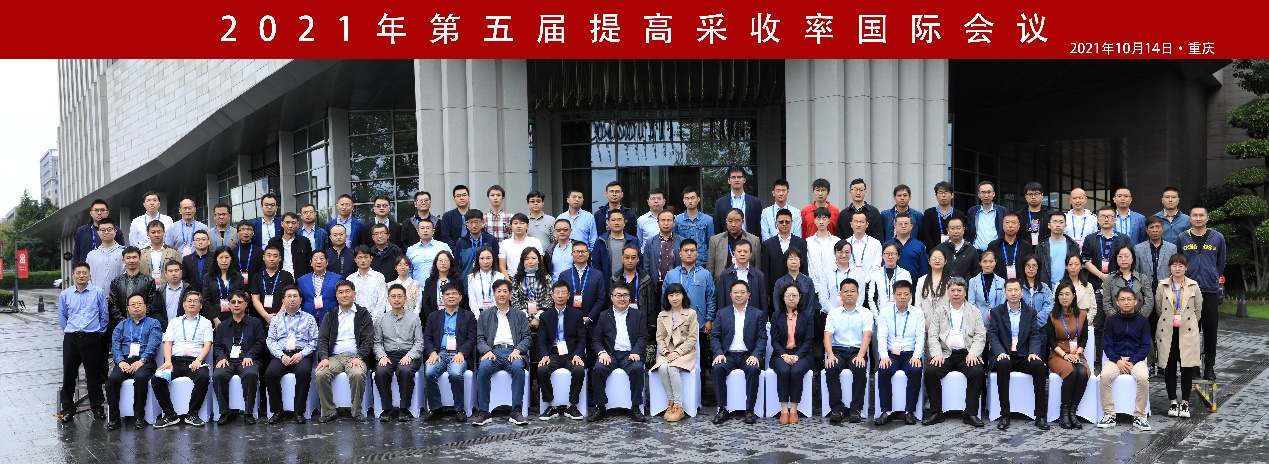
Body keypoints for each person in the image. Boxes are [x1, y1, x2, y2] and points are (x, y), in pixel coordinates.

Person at [922, 277, 987, 428]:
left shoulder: (974, 311)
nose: (956, 293)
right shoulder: (940, 310)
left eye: (959, 290)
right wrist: (936, 354)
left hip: (967, 353)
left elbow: (980, 335)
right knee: (931, 372)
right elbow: (932, 335)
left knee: (977, 372)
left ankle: (970, 414)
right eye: (953, 290)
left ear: (965, 293)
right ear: (948, 292)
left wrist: (973, 353)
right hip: (945, 353)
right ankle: (937, 412)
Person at [987, 279, 1049, 430]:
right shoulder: (996, 312)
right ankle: (1005, 414)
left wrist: (1033, 352)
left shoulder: (1031, 312)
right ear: (1005, 292)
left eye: (1016, 290)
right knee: (1002, 364)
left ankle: (1040, 416)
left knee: (1039, 366)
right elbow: (993, 335)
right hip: (1005, 355)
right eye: (1010, 290)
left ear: (1022, 292)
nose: (1013, 293)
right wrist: (1000, 352)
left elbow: (1035, 335)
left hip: (1024, 355)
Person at [472, 279, 532, 426]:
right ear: (494, 294)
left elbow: (527, 338)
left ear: (510, 294)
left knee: (518, 367)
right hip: (493, 352)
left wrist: (518, 350)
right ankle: (484, 412)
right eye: (498, 291)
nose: (502, 294)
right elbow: (479, 338)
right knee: (484, 367)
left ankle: (516, 411)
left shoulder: (520, 315)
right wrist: (486, 350)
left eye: (505, 291)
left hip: (513, 352)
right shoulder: (485, 315)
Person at [314, 280, 374, 423]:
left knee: (358, 373)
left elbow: (368, 339)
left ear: (354, 294)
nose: (344, 295)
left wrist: (360, 356)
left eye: (347, 291)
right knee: (321, 374)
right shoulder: (330, 315)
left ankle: (356, 412)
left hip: (355, 356)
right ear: (336, 296)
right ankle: (329, 411)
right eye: (341, 292)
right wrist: (324, 357)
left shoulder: (363, 313)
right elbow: (322, 338)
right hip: (334, 357)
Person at [588, 282, 649, 423]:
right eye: (618, 295)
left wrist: (636, 351)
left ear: (630, 297)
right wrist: (602, 353)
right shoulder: (604, 315)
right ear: (611, 297)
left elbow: (643, 336)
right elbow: (596, 339)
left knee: (637, 368)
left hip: (630, 354)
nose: (622, 299)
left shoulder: (638, 315)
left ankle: (635, 407)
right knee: (598, 369)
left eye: (625, 295)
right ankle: (601, 407)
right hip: (611, 354)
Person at [151, 290, 214, 428]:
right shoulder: (174, 322)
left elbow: (207, 344)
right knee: (157, 379)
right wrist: (168, 362)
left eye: (196, 301)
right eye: (189, 301)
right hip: (175, 362)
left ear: (201, 305)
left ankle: (192, 413)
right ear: (183, 304)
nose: (192, 303)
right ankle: (170, 414)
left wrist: (199, 360)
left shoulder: (206, 323)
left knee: (203, 377)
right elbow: (168, 343)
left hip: (195, 361)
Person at [1176, 205, 1225, 380]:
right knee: (1191, 331)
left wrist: (1213, 276)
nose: (1198, 218)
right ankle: (1193, 366)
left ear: (1207, 218)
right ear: (1190, 218)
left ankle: (1209, 367)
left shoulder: (1217, 237)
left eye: (1201, 215)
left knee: (1210, 330)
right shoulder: (1182, 238)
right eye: (1195, 215)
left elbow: (1220, 262)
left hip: (1209, 290)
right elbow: (1179, 261)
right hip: (1189, 291)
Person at [59, 262, 111, 423]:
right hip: (71, 338)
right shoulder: (65, 294)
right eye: (78, 273)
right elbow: (62, 316)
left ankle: (97, 408)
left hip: (91, 338)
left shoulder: (98, 293)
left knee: (94, 375)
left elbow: (104, 315)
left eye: (84, 273)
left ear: (89, 275)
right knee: (69, 374)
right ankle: (68, 409)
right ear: (73, 275)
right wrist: (70, 331)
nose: (81, 275)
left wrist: (97, 332)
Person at [710, 280, 767, 425]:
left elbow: (762, 338)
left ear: (748, 294)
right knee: (717, 368)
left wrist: (755, 355)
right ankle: (722, 409)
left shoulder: (758, 314)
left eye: (742, 292)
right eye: (736, 292)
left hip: (748, 354)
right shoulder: (722, 313)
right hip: (728, 355)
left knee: (753, 369)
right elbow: (715, 336)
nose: (739, 295)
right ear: (730, 295)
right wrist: (718, 353)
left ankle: (750, 410)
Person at [1096, 287, 1153, 431]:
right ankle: (1109, 415)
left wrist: (1133, 361)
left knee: (1143, 377)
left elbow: (1146, 345)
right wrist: (1118, 360)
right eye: (1122, 299)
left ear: (1135, 302)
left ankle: (1140, 416)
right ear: (1117, 302)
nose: (1126, 302)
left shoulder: (1142, 321)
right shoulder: (1111, 321)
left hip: (1136, 359)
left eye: (1129, 299)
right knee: (1105, 376)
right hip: (1116, 359)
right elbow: (1107, 345)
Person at [105, 293, 162, 430]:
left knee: (140, 378)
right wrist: (120, 361)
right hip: (125, 360)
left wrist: (142, 360)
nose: (136, 307)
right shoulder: (121, 325)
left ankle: (139, 416)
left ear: (145, 306)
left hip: (145, 361)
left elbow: (153, 344)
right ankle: (114, 418)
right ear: (128, 308)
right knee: (112, 380)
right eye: (133, 305)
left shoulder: (153, 324)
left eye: (139, 304)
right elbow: (115, 345)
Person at [422, 283, 478, 422]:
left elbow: (472, 338)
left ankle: (459, 409)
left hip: (458, 353)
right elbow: (427, 337)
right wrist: (432, 352)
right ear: (442, 298)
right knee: (429, 373)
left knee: (455, 373)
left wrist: (462, 353)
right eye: (447, 294)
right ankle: (436, 408)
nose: (451, 296)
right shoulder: (434, 316)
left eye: (454, 294)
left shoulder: (468, 316)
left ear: (460, 297)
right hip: (439, 353)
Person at [264, 286, 319, 424]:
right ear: (283, 300)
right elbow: (270, 340)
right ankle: (277, 411)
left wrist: (302, 354)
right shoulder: (276, 320)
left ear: (301, 300)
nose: (292, 299)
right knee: (270, 373)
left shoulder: (309, 318)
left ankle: (299, 411)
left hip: (302, 354)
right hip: (281, 354)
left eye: (295, 296)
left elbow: (314, 341)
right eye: (289, 296)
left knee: (304, 372)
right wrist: (281, 356)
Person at [1157, 254, 1202, 419]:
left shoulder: (1193, 286)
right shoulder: (1162, 285)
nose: (1177, 268)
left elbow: (1198, 310)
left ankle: (1185, 403)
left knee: (1186, 368)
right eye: (1174, 265)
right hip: (1168, 331)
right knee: (1169, 368)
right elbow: (1159, 308)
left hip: (1187, 331)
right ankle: (1173, 401)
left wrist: (1187, 322)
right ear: (1170, 267)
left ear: (1186, 267)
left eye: (1180, 265)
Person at [535, 281, 588, 421]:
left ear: (568, 295)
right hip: (553, 353)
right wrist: (544, 355)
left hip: (571, 354)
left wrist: (578, 354)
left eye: (563, 293)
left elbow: (582, 338)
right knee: (542, 370)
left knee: (579, 369)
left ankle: (571, 406)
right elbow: (541, 340)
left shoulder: (576, 314)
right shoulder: (545, 316)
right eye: (557, 293)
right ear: (552, 295)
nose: (560, 296)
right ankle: (551, 405)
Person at [210, 290, 266, 425]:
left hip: (248, 359)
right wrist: (221, 357)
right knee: (218, 375)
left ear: (246, 304)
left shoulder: (255, 323)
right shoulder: (222, 326)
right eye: (233, 302)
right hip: (228, 360)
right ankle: (224, 412)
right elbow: (217, 345)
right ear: (229, 305)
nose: (236, 305)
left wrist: (250, 355)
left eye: (240, 302)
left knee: (250, 374)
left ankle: (248, 413)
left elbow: (260, 342)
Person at [875, 280, 924, 426]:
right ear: (894, 295)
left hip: (910, 354)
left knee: (915, 370)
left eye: (906, 294)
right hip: (892, 355)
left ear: (911, 295)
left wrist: (916, 356)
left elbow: (920, 337)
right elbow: (881, 336)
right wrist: (884, 356)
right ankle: (886, 411)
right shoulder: (885, 313)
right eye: (899, 294)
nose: (902, 297)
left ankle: (910, 411)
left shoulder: (917, 314)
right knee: (883, 370)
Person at [373, 284, 425, 422]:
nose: (396, 299)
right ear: (388, 299)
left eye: (399, 296)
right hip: (388, 355)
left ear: (405, 299)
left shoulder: (414, 318)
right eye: (393, 296)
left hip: (408, 354)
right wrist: (382, 356)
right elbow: (377, 342)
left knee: (405, 371)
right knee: (381, 372)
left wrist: (409, 356)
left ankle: (404, 409)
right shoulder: (381, 319)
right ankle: (388, 409)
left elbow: (419, 342)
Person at [663, 239, 716, 374]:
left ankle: (700, 387)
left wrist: (709, 319)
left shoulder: (705, 274)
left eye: (692, 250)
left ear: (697, 253)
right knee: (676, 359)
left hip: (699, 324)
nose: (689, 253)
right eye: (685, 250)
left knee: (699, 361)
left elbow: (711, 297)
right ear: (679, 253)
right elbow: (664, 299)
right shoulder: (671, 274)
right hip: (675, 325)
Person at [822, 278, 871, 424]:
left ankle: (856, 409)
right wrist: (830, 355)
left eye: (852, 291)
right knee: (831, 367)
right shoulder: (833, 313)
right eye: (846, 291)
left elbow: (867, 336)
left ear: (858, 294)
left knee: (860, 367)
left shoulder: (866, 313)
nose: (849, 294)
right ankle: (837, 408)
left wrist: (861, 355)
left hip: (857, 351)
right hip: (838, 351)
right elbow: (827, 336)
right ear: (840, 294)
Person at [1045, 282, 1090, 430]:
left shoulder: (1082, 315)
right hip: (1058, 354)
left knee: (1083, 372)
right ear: (1057, 297)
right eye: (1061, 294)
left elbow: (1084, 338)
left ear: (1073, 296)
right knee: (1071, 371)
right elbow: (1051, 341)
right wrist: (1065, 355)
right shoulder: (1052, 316)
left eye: (1067, 294)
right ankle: (1063, 412)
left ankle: (1072, 411)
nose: (1064, 297)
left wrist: (1077, 353)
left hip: (1077, 353)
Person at [769, 282, 814, 425]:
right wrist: (784, 355)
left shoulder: (807, 316)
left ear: (800, 297)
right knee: (783, 371)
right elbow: (775, 341)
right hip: (780, 354)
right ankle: (784, 410)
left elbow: (808, 341)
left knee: (795, 371)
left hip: (802, 354)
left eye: (794, 295)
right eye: (788, 295)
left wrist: (797, 355)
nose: (791, 298)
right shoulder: (776, 316)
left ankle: (794, 409)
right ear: (783, 297)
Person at [653, 283, 699, 422]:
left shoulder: (691, 313)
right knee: (662, 368)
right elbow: (659, 338)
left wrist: (678, 353)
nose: (674, 298)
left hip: (686, 352)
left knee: (672, 368)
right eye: (671, 295)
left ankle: (679, 406)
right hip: (667, 352)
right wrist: (666, 353)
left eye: (678, 294)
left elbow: (692, 338)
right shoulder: (662, 315)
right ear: (667, 297)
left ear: (683, 295)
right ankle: (671, 402)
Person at [1097, 245, 1154, 349]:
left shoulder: (1142, 278)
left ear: (1132, 258)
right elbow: (1106, 302)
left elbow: (1149, 299)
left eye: (1126, 256)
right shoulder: (1110, 279)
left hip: (1138, 322)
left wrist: (1141, 317)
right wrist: (1115, 318)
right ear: (1116, 259)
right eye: (1120, 256)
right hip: (1116, 323)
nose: (1123, 259)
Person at [107, 246, 157, 348]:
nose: (131, 260)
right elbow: (113, 305)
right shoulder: (116, 281)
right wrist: (124, 322)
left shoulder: (148, 281)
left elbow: (151, 303)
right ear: (123, 260)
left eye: (134, 257)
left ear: (140, 259)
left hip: (143, 325)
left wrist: (139, 320)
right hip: (122, 326)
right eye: (128, 258)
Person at [1081, 205, 1132, 300]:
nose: (1106, 219)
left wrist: (1111, 277)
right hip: (1095, 287)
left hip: (1119, 287)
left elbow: (1128, 261)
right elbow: (1086, 261)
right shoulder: (1089, 239)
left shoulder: (1124, 239)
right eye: (1103, 216)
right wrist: (1102, 276)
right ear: (1097, 219)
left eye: (1109, 216)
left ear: (1115, 219)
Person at [760, 209, 808, 303]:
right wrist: (767, 292)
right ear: (776, 223)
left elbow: (804, 266)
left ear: (792, 222)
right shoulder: (767, 244)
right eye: (781, 222)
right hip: (774, 289)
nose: (784, 224)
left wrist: (804, 288)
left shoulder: (801, 243)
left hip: (796, 289)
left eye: (787, 222)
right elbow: (765, 269)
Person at [557, 241, 608, 323]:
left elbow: (601, 299)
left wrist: (590, 317)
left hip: (592, 321)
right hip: (568, 320)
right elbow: (560, 297)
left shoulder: (598, 275)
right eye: (577, 251)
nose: (580, 254)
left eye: (583, 251)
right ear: (572, 255)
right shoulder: (564, 275)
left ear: (588, 254)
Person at [613, 244, 656, 343]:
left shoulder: (645, 279)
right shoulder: (615, 279)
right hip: (619, 324)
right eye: (627, 257)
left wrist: (650, 328)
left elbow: (651, 305)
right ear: (622, 259)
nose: (630, 260)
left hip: (640, 324)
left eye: (633, 258)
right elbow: (610, 304)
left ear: (638, 259)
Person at [715, 239, 768, 313]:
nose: (742, 254)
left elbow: (763, 303)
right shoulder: (725, 275)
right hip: (731, 316)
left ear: (751, 254)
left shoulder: (759, 276)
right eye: (739, 251)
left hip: (753, 317)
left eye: (745, 251)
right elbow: (721, 301)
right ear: (734, 253)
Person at [707, 208, 762, 279]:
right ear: (726, 221)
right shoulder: (715, 240)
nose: (733, 224)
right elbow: (710, 267)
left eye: (737, 221)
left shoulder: (754, 241)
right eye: (730, 221)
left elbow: (757, 267)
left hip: (746, 282)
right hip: (722, 282)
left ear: (742, 222)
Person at [815, 240, 865, 312]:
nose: (844, 255)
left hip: (853, 314)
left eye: (847, 252)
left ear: (851, 253)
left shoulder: (858, 273)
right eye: (840, 252)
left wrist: (851, 311)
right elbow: (823, 297)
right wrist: (835, 313)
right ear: (834, 253)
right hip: (830, 314)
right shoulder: (826, 272)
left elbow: (860, 297)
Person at [201, 246, 245, 326]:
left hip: (235, 317)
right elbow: (206, 300)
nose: (224, 260)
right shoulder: (209, 277)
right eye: (221, 257)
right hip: (214, 318)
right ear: (216, 259)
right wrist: (215, 319)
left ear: (231, 259)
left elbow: (241, 298)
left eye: (227, 257)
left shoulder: (238, 277)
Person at [249, 245, 295, 321]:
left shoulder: (287, 276)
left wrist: (278, 317)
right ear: (264, 257)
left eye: (275, 256)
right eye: (269, 255)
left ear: (280, 258)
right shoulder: (257, 277)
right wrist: (266, 316)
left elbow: (289, 298)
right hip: (261, 319)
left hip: (283, 319)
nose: (272, 259)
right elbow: (255, 299)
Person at [863, 242, 912, 314]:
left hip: (900, 314)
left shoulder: (905, 274)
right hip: (880, 315)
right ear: (882, 256)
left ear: (898, 256)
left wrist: (903, 315)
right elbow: (872, 299)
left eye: (893, 254)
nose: (890, 257)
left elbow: (909, 297)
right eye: (887, 253)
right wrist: (878, 317)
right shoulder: (875, 274)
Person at [592, 209, 640, 281]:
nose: (616, 223)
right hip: (607, 282)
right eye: (613, 220)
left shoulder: (633, 241)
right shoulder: (600, 241)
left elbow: (639, 262)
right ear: (608, 223)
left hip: (628, 282)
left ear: (624, 222)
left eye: (619, 220)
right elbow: (596, 264)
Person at [641, 210, 684, 291]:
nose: (666, 223)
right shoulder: (650, 243)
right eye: (663, 220)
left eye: (669, 220)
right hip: (656, 286)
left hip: (676, 285)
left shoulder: (682, 242)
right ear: (658, 223)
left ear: (674, 223)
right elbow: (646, 266)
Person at [918, 182, 967, 252]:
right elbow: (926, 235)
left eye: (946, 192)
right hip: (934, 253)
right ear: (936, 195)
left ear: (952, 195)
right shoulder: (929, 213)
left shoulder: (959, 214)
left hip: (955, 252)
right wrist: (934, 252)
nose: (943, 195)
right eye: (940, 192)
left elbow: (963, 234)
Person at [713, 166, 762, 235]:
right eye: (733, 177)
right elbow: (718, 228)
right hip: (727, 241)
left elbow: (758, 227)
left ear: (744, 180)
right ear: (729, 180)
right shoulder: (720, 203)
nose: (736, 180)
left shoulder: (755, 202)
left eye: (739, 177)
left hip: (749, 240)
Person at [1036, 213, 1080, 287]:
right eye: (1055, 222)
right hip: (1046, 287)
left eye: (1061, 222)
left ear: (1065, 226)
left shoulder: (1073, 245)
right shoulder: (1041, 246)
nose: (1058, 225)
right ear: (1049, 225)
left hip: (1068, 287)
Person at [674, 186, 714, 266]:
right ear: (683, 200)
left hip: (702, 262)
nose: (690, 201)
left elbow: (711, 243)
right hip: (682, 262)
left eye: (692, 198)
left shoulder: (708, 220)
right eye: (687, 198)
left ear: (698, 199)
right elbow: (675, 242)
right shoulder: (677, 220)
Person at [406, 218, 453, 284]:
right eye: (422, 228)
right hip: (418, 287)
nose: (425, 230)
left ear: (433, 231)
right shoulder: (411, 250)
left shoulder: (443, 247)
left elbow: (452, 266)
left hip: (440, 287)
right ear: (418, 231)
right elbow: (408, 271)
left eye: (428, 228)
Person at [422, 251, 466, 321]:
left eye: (446, 261)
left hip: (454, 318)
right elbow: (426, 303)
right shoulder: (430, 281)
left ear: (450, 263)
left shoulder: (457, 280)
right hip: (434, 318)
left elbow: (461, 300)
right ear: (436, 263)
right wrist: (431, 319)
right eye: (440, 261)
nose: (443, 263)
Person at [298, 252, 340, 322]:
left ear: (327, 262)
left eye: (321, 259)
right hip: (308, 318)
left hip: (330, 318)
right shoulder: (302, 280)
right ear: (311, 263)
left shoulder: (337, 278)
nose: (318, 261)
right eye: (315, 259)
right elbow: (301, 301)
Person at [347, 245, 388, 319]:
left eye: (366, 257)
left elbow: (382, 301)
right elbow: (349, 301)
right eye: (360, 257)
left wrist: (372, 319)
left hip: (376, 319)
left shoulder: (379, 277)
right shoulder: (350, 279)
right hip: (356, 319)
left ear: (371, 258)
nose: (363, 260)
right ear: (355, 260)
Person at [988, 213, 1032, 280]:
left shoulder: (1026, 246)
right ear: (1003, 226)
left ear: (1019, 226)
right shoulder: (993, 245)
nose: (1010, 226)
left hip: (1021, 283)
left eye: (1013, 223)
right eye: (1007, 223)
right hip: (998, 283)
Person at [454, 210, 498, 277]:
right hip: (466, 281)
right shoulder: (461, 243)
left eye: (477, 222)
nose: (474, 225)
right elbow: (457, 266)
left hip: (488, 281)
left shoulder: (491, 240)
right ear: (466, 223)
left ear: (482, 222)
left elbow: (496, 263)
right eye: (471, 222)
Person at [269, 213, 314, 278]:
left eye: (293, 223)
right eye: (287, 222)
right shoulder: (273, 242)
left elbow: (309, 264)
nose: (290, 226)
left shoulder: (304, 242)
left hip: (299, 279)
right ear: (282, 224)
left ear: (298, 225)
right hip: (278, 279)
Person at [885, 211, 928, 280]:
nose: (903, 226)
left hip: (914, 284)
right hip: (891, 284)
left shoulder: (919, 245)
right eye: (900, 224)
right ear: (895, 226)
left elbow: (924, 270)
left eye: (906, 223)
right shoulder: (887, 245)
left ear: (911, 226)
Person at [85, 217, 125, 290]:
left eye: (109, 229)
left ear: (115, 231)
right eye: (103, 230)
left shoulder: (123, 253)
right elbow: (87, 277)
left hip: (118, 296)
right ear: (98, 233)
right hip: (96, 296)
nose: (106, 232)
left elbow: (127, 275)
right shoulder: (92, 255)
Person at [842, 211, 883, 280]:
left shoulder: (875, 243)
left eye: (861, 222)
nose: (858, 225)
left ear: (867, 224)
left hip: (870, 282)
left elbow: (876, 266)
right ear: (851, 224)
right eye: (856, 222)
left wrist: (866, 280)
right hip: (848, 281)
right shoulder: (845, 243)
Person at [466, 247, 506, 318]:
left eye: (488, 258)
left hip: (497, 314)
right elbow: (472, 302)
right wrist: (479, 318)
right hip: (478, 314)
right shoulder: (471, 277)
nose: (485, 262)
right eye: (482, 258)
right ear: (478, 260)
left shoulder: (500, 276)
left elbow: (501, 299)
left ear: (493, 259)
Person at [967, 181, 1007, 251]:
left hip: (997, 251)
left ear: (993, 194)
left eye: (989, 192)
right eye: (983, 192)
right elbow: (969, 232)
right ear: (979, 194)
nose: (986, 195)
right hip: (976, 252)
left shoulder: (1002, 211)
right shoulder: (972, 211)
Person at [150, 260, 189, 330]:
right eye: (170, 271)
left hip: (185, 329)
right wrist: (166, 327)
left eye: (176, 270)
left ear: (181, 272)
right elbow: (155, 312)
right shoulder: (159, 292)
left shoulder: (189, 290)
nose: (173, 274)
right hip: (164, 330)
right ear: (165, 274)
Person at [141, 220, 182, 287]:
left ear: (164, 232)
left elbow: (180, 272)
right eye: (153, 232)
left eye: (159, 232)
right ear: (148, 233)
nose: (156, 235)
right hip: (147, 288)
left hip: (168, 288)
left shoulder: (174, 252)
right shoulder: (142, 253)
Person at [968, 251, 1005, 323]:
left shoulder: (1001, 281)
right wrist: (979, 323)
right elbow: (971, 303)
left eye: (991, 261)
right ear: (980, 262)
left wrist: (996, 322)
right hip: (978, 321)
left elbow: (1002, 303)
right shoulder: (973, 281)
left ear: (995, 262)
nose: (988, 264)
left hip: (997, 320)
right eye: (984, 261)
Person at [806, 207, 841, 282]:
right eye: (818, 218)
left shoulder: (836, 241)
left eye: (824, 218)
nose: (821, 222)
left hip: (833, 282)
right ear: (814, 220)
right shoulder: (808, 242)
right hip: (813, 283)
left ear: (829, 220)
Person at [914, 249, 951, 319]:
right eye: (934, 258)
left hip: (946, 322)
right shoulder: (921, 280)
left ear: (945, 261)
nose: (937, 261)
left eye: (940, 258)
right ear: (929, 261)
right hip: (925, 321)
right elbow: (917, 305)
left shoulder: (951, 281)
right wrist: (925, 322)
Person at [1017, 182, 1054, 251]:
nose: (1033, 197)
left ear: (1042, 195)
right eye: (1030, 194)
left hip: (1045, 252)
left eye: (1036, 194)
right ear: (1025, 196)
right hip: (1024, 252)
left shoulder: (1050, 215)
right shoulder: (1018, 216)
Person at [1020, 255, 1055, 325]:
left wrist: (1035, 323)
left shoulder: (1044, 288)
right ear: (1024, 267)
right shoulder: (1017, 286)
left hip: (1040, 327)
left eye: (1034, 265)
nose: (1031, 268)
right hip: (1020, 326)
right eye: (1028, 265)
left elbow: (1048, 308)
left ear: (1038, 268)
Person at [74, 199, 111, 265]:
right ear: (91, 213)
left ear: (107, 213)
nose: (99, 213)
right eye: (96, 210)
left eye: (102, 210)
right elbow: (76, 254)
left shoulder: (115, 231)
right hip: (87, 269)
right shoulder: (82, 231)